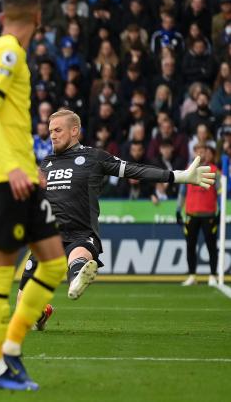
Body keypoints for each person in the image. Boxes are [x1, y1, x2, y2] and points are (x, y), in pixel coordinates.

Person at [19, 110, 214, 329]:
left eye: (58, 130)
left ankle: (77, 277)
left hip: (81, 234)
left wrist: (179, 176)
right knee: (23, 311)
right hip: (48, 237)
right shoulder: (46, 163)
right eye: (51, 130)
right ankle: (42, 312)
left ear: (74, 131)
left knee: (78, 258)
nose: (52, 135)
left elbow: (135, 170)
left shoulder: (94, 157)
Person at [0, 0, 67, 391]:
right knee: (0, 271)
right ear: (37, 18)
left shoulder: (4, 52)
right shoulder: (7, 51)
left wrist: (29, 167)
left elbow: (7, 119)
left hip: (22, 176)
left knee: (54, 264)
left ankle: (10, 347)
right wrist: (12, 166)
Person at [177, 143, 221, 286]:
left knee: (211, 246)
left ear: (207, 153)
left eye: (203, 151)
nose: (200, 154)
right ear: (194, 153)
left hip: (209, 214)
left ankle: (213, 275)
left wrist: (220, 211)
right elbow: (182, 192)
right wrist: (178, 210)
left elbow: (220, 192)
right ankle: (192, 275)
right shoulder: (188, 169)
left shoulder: (214, 170)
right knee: (190, 245)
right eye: (198, 151)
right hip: (191, 214)